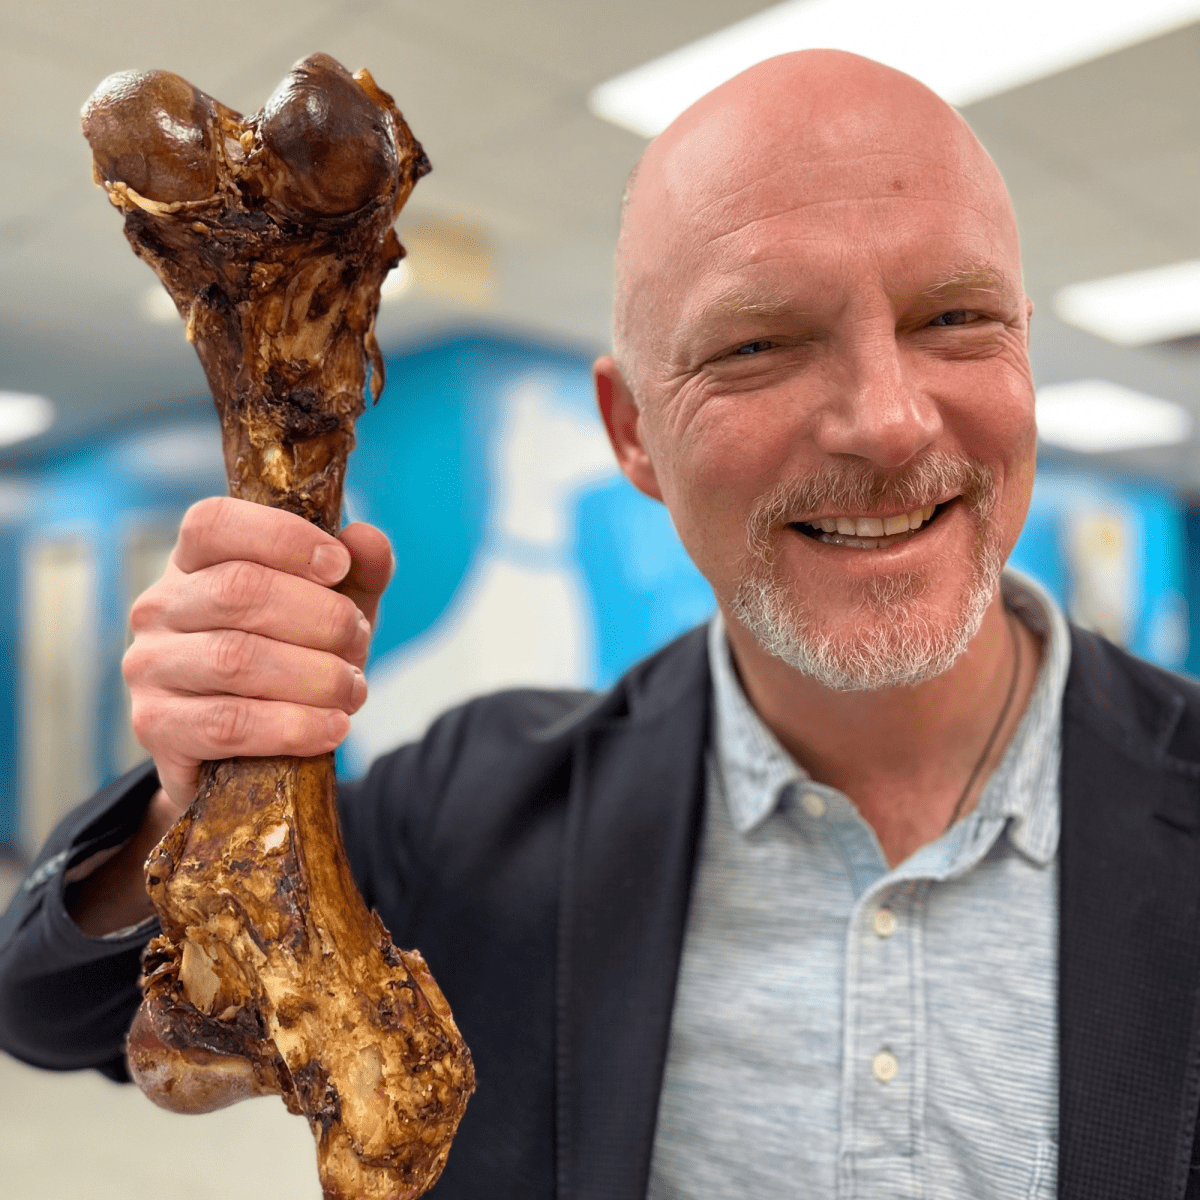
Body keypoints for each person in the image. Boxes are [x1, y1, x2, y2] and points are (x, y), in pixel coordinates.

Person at [2, 49, 1199, 1200]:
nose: (886, 423)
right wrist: (200, 795)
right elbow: (47, 1009)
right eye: (758, 343)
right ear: (634, 435)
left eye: (955, 318)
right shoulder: (477, 806)